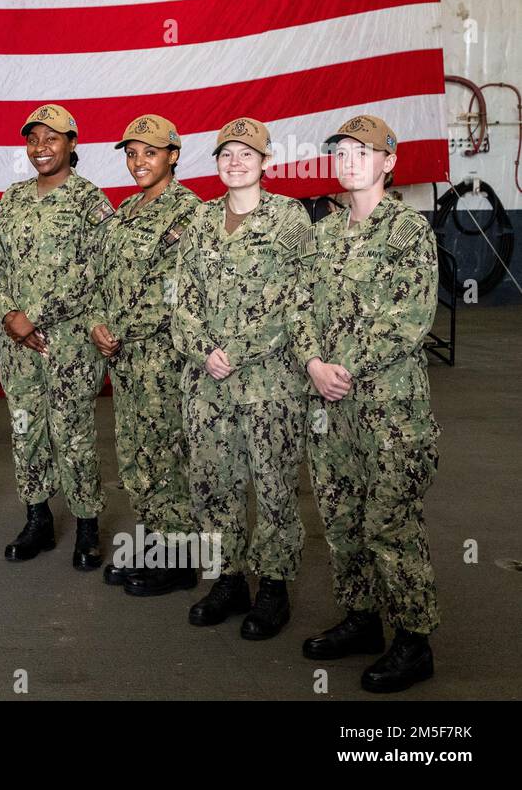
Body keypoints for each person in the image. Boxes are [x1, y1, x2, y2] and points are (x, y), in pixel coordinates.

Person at [294, 115, 441, 692]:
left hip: (389, 408)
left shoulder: (406, 231)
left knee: (390, 521)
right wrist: (312, 364)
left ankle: (413, 638)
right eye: (341, 150)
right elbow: (298, 308)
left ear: (389, 162)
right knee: (340, 515)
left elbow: (409, 318)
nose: (350, 159)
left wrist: (342, 367)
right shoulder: (323, 235)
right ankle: (362, 618)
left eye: (363, 150)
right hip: (332, 411)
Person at [172, 117, 311, 638]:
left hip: (269, 382)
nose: (235, 162)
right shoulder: (201, 220)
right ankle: (228, 579)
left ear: (265, 161)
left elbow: (297, 301)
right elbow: (181, 299)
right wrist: (204, 350)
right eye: (226, 154)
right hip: (207, 383)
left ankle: (273, 587)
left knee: (273, 484)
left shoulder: (289, 220)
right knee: (212, 482)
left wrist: (234, 349)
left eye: (246, 154)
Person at [0, 104, 112, 568]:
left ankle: (86, 525)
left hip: (70, 344)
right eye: (33, 139)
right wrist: (9, 313)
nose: (41, 147)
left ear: (72, 144)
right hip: (18, 346)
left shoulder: (90, 202)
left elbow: (97, 273)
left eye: (52, 138)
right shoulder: (14, 198)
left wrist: (32, 316)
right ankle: (36, 518)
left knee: (73, 433)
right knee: (26, 431)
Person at [88, 116, 202, 593]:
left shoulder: (190, 212)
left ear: (172, 156)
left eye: (149, 153)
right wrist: (97, 320)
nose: (138, 162)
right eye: (131, 153)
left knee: (166, 453)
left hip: (163, 357)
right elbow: (100, 275)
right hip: (125, 360)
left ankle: (179, 560)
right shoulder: (126, 211)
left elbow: (174, 291)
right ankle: (154, 541)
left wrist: (120, 327)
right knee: (136, 455)